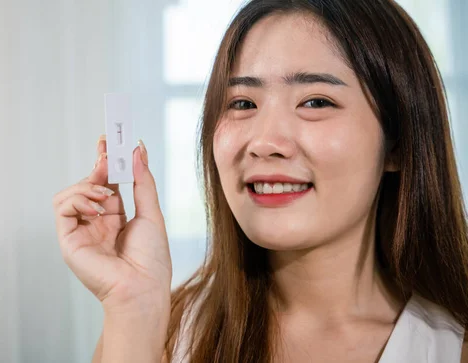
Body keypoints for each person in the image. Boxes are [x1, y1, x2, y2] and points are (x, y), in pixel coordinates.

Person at [52, 0, 468, 361]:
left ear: (396, 143)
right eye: (243, 103)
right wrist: (133, 307)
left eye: (316, 101)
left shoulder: (454, 343)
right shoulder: (168, 331)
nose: (265, 142)